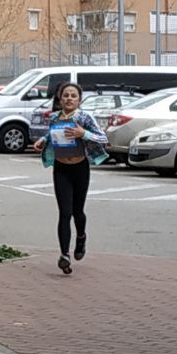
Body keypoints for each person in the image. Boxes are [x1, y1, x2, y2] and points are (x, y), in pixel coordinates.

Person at [33, 82, 109, 275]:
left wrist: (83, 133)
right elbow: (51, 134)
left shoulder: (84, 117)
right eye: (65, 95)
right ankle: (64, 255)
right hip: (61, 168)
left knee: (77, 211)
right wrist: (42, 140)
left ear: (79, 100)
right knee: (64, 212)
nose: (69, 99)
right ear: (60, 99)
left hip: (80, 167)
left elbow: (103, 138)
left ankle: (81, 237)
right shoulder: (54, 117)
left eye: (73, 96)